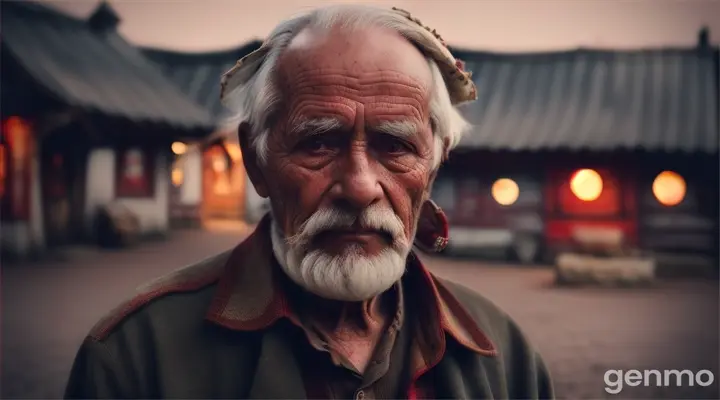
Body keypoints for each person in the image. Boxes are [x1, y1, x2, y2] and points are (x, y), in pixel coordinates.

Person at [64, 5, 554, 399]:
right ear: (256, 162)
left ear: (433, 164)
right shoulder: (135, 357)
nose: (360, 186)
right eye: (319, 143)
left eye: (394, 145)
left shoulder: (502, 356)